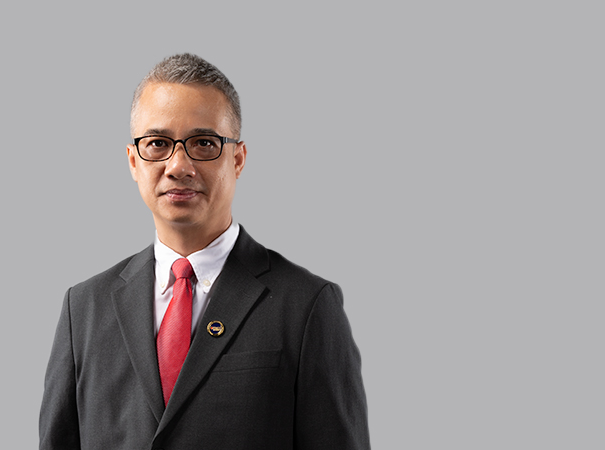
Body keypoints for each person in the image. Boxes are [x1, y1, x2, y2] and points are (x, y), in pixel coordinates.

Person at [39, 53, 370, 449]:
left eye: (203, 143)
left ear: (238, 158)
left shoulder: (307, 306)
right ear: (133, 161)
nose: (178, 166)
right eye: (158, 144)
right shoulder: (84, 308)